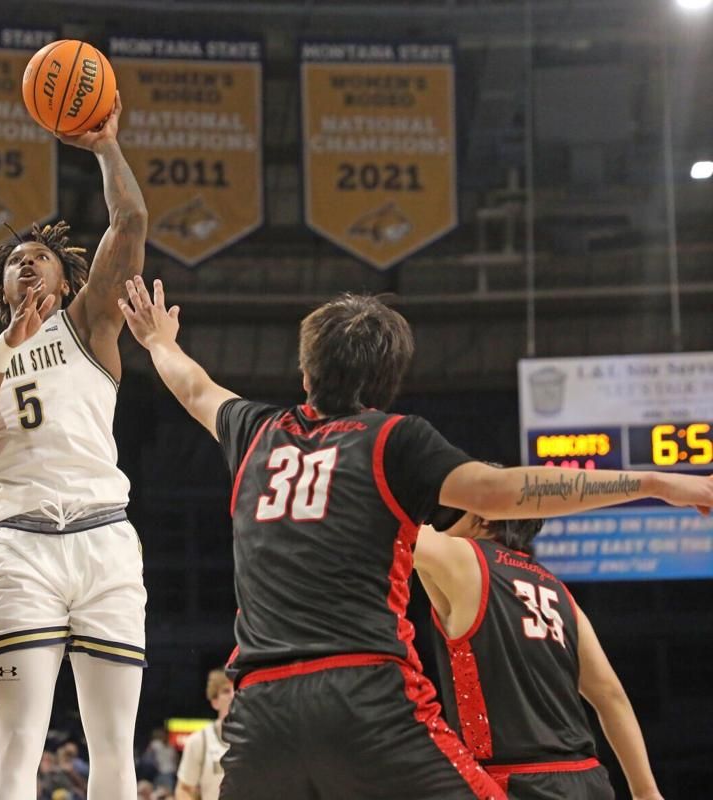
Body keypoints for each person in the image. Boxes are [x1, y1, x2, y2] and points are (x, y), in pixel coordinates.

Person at [118, 283, 713, 799]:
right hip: (366, 697)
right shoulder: (394, 439)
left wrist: (157, 341)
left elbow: (194, 387)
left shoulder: (255, 430)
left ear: (306, 373)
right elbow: (503, 491)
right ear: (384, 387)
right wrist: (655, 482)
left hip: (260, 709)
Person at [0, 93, 148, 800]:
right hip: (23, 549)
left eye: (41, 259)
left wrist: (105, 147)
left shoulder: (89, 327)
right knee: (18, 744)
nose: (28, 265)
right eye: (16, 262)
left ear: (65, 279)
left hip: (104, 541)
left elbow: (130, 222)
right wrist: (6, 348)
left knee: (113, 747)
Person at [415, 513, 663, 799]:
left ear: (483, 516)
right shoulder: (559, 592)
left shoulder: (463, 556)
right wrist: (646, 792)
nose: (445, 517)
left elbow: (393, 524)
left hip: (517, 783)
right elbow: (611, 696)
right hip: (587, 780)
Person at [175, 670, 234, 800]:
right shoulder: (199, 741)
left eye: (237, 690)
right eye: (226, 691)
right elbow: (184, 789)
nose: (233, 695)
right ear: (215, 702)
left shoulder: (258, 739)